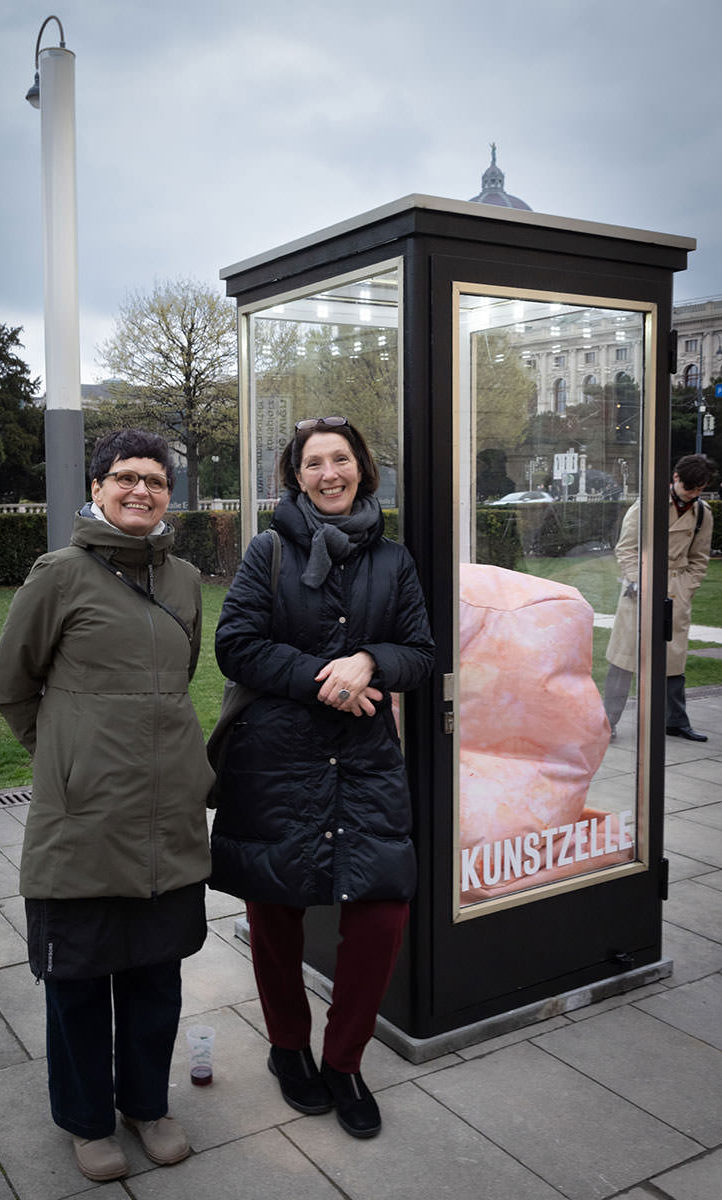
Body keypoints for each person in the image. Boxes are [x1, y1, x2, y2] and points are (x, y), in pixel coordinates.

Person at [0, 430, 213, 1183]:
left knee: (155, 976)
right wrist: (66, 760)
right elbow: (12, 685)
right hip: (82, 821)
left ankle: (146, 1105)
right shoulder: (58, 575)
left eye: (154, 480)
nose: (141, 491)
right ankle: (87, 1121)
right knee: (79, 982)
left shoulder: (184, 579)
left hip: (165, 820)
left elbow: (180, 676)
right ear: (97, 486)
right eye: (125, 478)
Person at [209, 416, 434, 1139]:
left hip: (364, 764)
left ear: (362, 470)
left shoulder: (392, 559)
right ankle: (287, 1049)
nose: (329, 473)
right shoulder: (268, 550)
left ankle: (343, 1061)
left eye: (341, 460)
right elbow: (235, 645)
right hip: (276, 761)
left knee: (380, 914)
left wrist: (368, 661)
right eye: (314, 463)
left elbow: (420, 653)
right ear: (295, 475)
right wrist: (319, 679)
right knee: (275, 918)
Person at [604, 453, 715, 742]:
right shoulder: (647, 506)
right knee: (624, 660)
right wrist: (640, 582)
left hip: (676, 591)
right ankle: (607, 721)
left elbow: (700, 558)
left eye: (699, 489)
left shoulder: (702, 513)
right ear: (675, 478)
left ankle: (675, 721)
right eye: (689, 488)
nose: (693, 494)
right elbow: (626, 549)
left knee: (673, 659)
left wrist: (686, 588)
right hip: (639, 590)